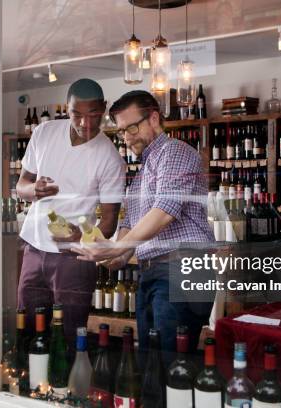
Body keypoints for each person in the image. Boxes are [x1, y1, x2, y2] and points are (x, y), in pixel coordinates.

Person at [72, 90, 215, 362]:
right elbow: (128, 230)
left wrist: (117, 248)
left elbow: (165, 211)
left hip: (182, 269)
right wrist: (109, 255)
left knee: (168, 364)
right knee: (150, 364)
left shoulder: (174, 151)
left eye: (132, 127)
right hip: (153, 273)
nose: (127, 138)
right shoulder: (141, 176)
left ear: (153, 118)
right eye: (122, 131)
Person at [15, 79, 126, 350]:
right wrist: (35, 190)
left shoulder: (110, 158)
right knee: (27, 328)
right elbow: (21, 187)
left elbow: (110, 220)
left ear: (104, 108)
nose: (86, 124)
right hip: (33, 246)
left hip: (74, 258)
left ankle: (65, 390)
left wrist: (84, 238)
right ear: (67, 108)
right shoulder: (43, 133)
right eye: (77, 114)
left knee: (68, 335)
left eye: (94, 116)